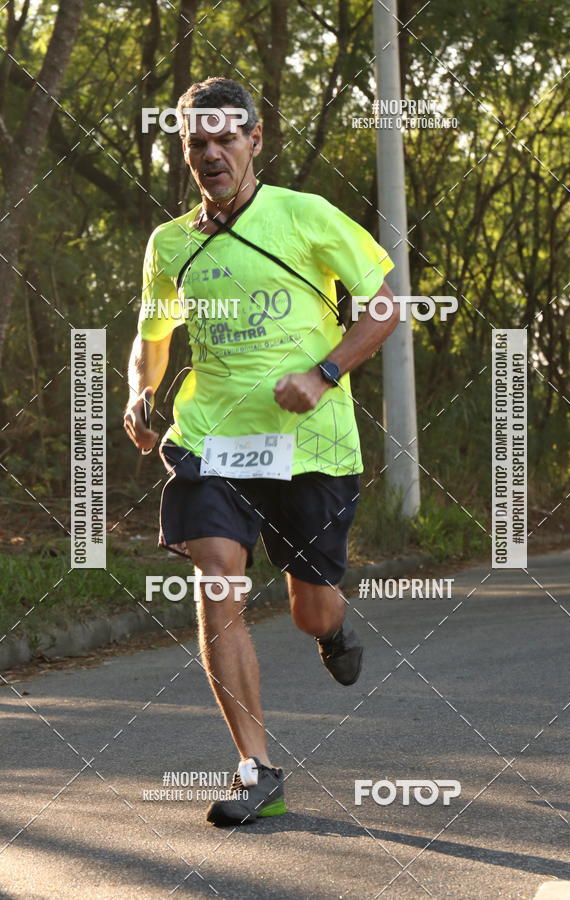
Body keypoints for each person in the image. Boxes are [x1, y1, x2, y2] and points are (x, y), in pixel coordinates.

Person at [124, 77, 398, 827]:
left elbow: (384, 306)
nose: (211, 154)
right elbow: (152, 340)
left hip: (310, 445)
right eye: (195, 144)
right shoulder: (172, 243)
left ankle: (333, 628)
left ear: (255, 139)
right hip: (211, 439)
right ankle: (257, 769)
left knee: (309, 610)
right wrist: (138, 397)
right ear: (184, 153)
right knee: (220, 582)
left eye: (224, 139)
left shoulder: (303, 216)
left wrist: (325, 371)